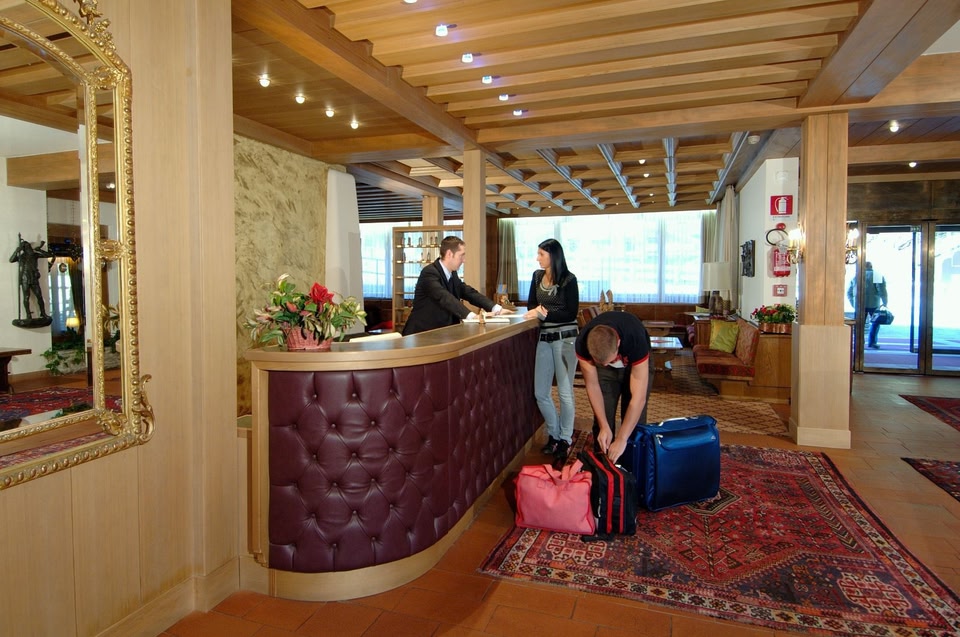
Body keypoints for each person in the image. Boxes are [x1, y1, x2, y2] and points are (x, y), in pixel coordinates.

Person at [523, 239, 579, 463]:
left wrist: (544, 313)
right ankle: (554, 434)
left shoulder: (569, 279)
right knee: (541, 392)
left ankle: (565, 438)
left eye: (541, 254)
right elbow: (531, 305)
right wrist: (540, 312)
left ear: (553, 256)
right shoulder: (537, 276)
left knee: (565, 392)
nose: (537, 258)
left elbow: (570, 312)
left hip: (566, 340)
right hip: (545, 338)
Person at [575, 311, 652, 464]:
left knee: (634, 425)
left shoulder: (634, 338)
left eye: (610, 361)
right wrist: (604, 425)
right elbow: (592, 385)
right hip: (606, 369)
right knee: (603, 422)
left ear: (618, 343)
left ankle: (632, 468)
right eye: (601, 363)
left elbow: (638, 399)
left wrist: (622, 438)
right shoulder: (582, 343)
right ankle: (604, 470)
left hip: (635, 364)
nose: (607, 365)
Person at [401, 235, 505, 335]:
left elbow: (467, 292)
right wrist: (471, 316)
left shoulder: (452, 273)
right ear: (449, 254)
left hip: (441, 334)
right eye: (461, 255)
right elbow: (444, 297)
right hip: (421, 334)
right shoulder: (429, 273)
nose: (464, 260)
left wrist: (496, 308)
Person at [9, 235, 54, 320]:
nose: (29, 248)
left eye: (29, 246)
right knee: (26, 297)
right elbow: (11, 260)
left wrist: (39, 250)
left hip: (34, 277)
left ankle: (43, 313)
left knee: (39, 296)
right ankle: (28, 315)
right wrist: (16, 251)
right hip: (25, 278)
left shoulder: (34, 255)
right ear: (24, 249)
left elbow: (49, 255)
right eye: (27, 247)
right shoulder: (22, 256)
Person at [847, 261, 888, 349]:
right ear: (871, 266)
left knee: (859, 324)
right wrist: (885, 302)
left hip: (859, 304)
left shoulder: (857, 276)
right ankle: (872, 342)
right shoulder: (877, 275)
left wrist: (853, 304)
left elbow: (849, 292)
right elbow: (882, 291)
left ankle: (859, 342)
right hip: (874, 304)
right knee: (875, 323)